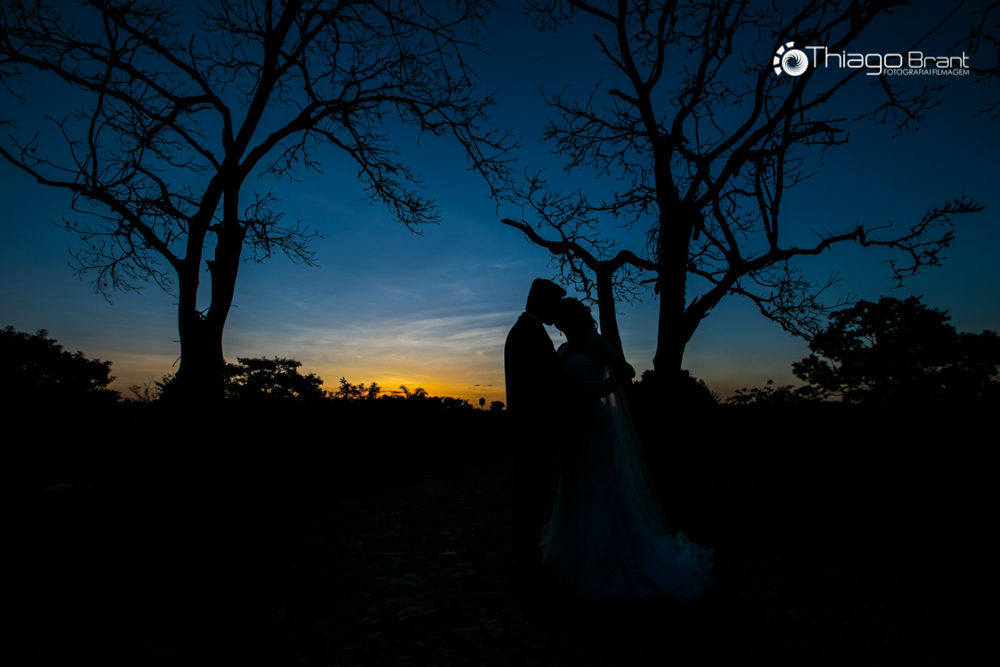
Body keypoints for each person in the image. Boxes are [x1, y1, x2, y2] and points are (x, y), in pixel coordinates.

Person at [541, 297, 715, 602]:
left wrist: (594, 393)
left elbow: (626, 371)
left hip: (594, 422)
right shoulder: (564, 350)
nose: (560, 325)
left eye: (563, 320)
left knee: (599, 484)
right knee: (572, 483)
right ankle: (574, 557)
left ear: (574, 319)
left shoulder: (596, 343)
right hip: (570, 425)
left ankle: (610, 557)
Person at [504, 278, 566, 595]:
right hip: (532, 431)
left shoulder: (528, 331)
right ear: (541, 302)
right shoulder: (527, 333)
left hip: (531, 430)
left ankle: (528, 561)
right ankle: (528, 565)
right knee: (530, 497)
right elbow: (540, 387)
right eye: (554, 304)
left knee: (531, 497)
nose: (557, 311)